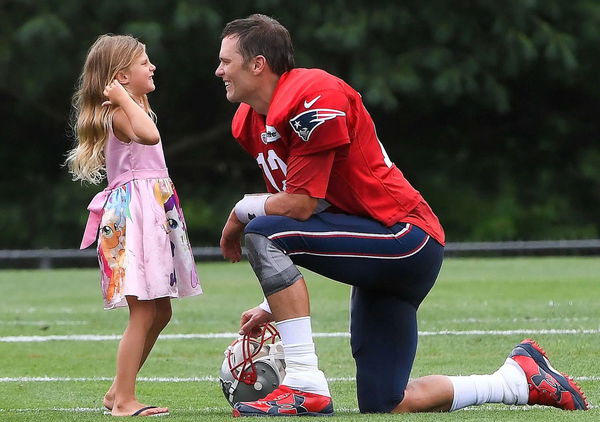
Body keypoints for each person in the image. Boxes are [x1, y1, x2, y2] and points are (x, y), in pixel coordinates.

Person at [215, 14, 589, 417]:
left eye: (226, 61)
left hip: (405, 238)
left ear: (258, 64)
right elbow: (309, 214)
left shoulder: (312, 94)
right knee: (386, 403)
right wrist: (272, 303)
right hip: (377, 249)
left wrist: (239, 213)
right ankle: (518, 380)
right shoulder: (253, 121)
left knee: (262, 230)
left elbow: (299, 206)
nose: (219, 71)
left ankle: (304, 383)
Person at [65, 34, 202, 417]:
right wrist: (124, 98)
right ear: (122, 76)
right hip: (135, 219)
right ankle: (124, 401)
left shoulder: (130, 107)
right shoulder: (121, 111)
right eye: (145, 62)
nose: (152, 67)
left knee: (161, 312)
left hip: (152, 211)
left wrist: (129, 98)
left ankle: (116, 391)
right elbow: (150, 135)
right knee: (143, 312)